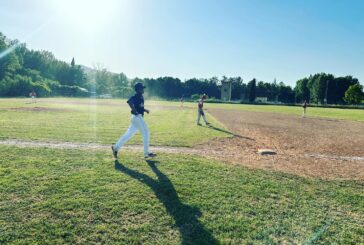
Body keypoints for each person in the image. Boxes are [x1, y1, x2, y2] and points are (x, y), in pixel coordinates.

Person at [112, 83, 157, 159]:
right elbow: (129, 102)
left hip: (135, 118)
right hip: (137, 117)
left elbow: (140, 107)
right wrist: (135, 111)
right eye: (142, 88)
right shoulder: (136, 96)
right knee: (146, 132)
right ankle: (147, 153)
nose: (143, 89)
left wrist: (145, 110)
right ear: (138, 89)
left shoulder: (141, 97)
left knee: (129, 134)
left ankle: (115, 147)